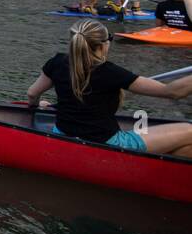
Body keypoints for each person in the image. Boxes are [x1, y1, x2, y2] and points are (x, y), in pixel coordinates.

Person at [27, 20, 192, 156]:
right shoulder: (111, 72)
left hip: (62, 133)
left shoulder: (56, 62)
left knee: (185, 148)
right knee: (189, 131)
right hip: (107, 142)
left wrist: (37, 106)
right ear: (103, 45)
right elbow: (173, 92)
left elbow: (32, 93)